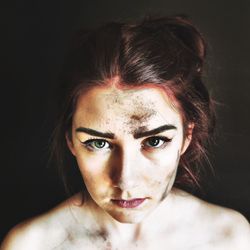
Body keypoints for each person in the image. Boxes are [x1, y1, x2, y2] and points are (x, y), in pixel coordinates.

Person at [1, 15, 250, 250]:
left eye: (155, 140)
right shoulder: (31, 245)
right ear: (70, 140)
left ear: (186, 136)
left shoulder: (229, 238)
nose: (126, 180)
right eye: (98, 143)